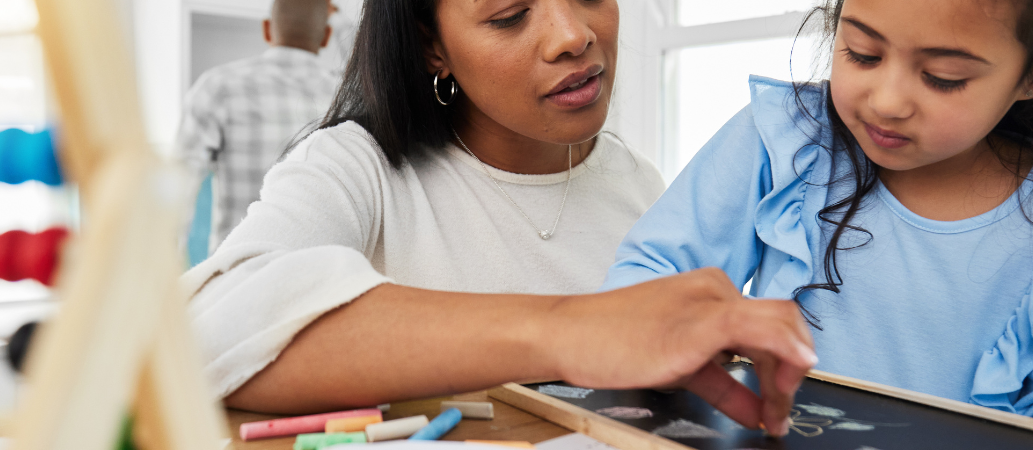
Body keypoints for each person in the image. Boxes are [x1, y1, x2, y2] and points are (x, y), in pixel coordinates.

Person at [183, 0, 817, 437]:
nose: (574, 34)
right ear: (433, 47)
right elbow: (212, 329)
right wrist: (568, 332)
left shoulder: (639, 182)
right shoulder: (359, 166)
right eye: (511, 14)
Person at [601, 0, 1033, 448]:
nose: (887, 100)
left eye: (944, 77)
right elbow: (647, 279)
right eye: (862, 52)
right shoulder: (782, 138)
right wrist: (693, 324)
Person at [180, 0, 340, 250]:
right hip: (319, 274)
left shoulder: (218, 86)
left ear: (267, 29)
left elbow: (178, 187)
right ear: (326, 37)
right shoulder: (344, 98)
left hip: (236, 276)